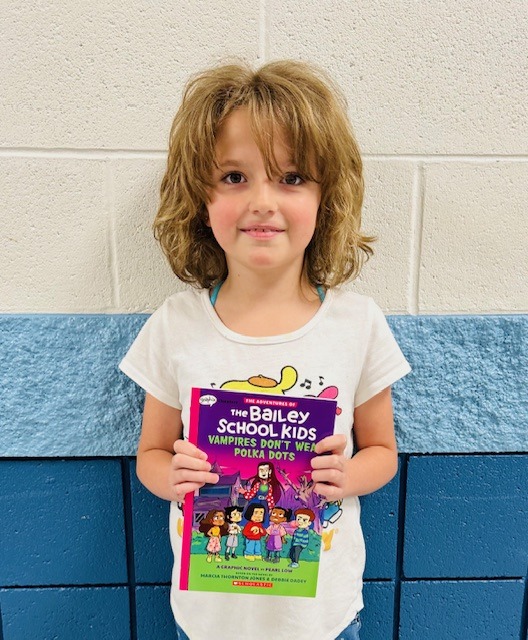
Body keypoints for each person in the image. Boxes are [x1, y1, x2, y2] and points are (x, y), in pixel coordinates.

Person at [119, 59, 411, 640]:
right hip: (208, 617)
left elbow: (382, 450)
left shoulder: (357, 323)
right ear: (200, 197)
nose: (262, 201)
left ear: (326, 197)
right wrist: (171, 476)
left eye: (292, 177)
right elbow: (149, 454)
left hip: (320, 617)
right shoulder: (176, 324)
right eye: (234, 177)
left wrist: (346, 478)